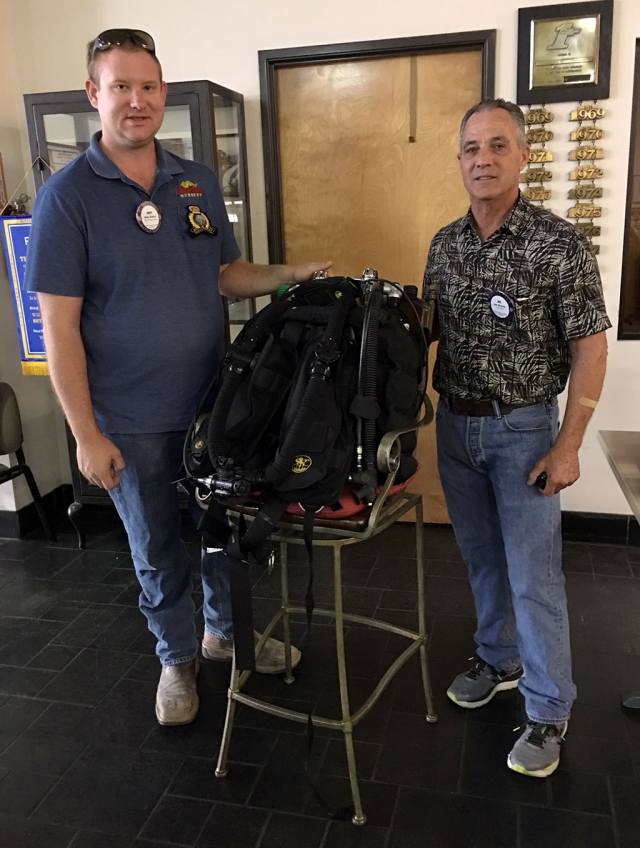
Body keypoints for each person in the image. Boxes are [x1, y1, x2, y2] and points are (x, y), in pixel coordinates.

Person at [25, 29, 331, 727]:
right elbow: (59, 329)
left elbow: (224, 276)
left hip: (215, 409)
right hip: (129, 422)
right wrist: (85, 434)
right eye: (122, 86)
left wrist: (288, 275)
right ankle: (175, 659)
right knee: (159, 549)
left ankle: (223, 635)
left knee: (222, 531)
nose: (138, 101)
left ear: (164, 92)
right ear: (93, 94)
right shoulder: (67, 199)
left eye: (150, 87)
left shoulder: (193, 182)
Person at [422, 98, 610, 778]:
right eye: (472, 148)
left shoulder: (560, 243)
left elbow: (591, 348)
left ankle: (548, 709)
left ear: (524, 155)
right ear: (461, 160)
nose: (483, 159)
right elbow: (427, 332)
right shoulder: (444, 244)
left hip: (524, 429)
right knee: (480, 560)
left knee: (534, 574)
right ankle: (498, 659)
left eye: (498, 146)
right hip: (457, 425)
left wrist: (568, 443)